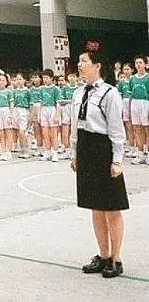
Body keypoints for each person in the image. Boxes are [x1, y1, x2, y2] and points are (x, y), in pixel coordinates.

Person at [70, 42, 129, 278]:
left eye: (84, 61)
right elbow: (75, 128)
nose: (79, 65)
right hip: (86, 150)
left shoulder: (109, 93)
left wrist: (117, 160)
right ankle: (103, 255)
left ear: (97, 66)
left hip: (103, 150)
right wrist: (74, 154)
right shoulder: (77, 92)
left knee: (111, 208)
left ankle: (116, 258)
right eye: (80, 61)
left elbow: (116, 130)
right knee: (95, 205)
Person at [129, 56, 149, 164]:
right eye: (136, 62)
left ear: (145, 64)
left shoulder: (148, 77)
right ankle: (140, 154)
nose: (138, 64)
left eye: (140, 62)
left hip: (146, 103)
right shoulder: (132, 78)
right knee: (137, 129)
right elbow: (131, 93)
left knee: (147, 129)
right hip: (135, 103)